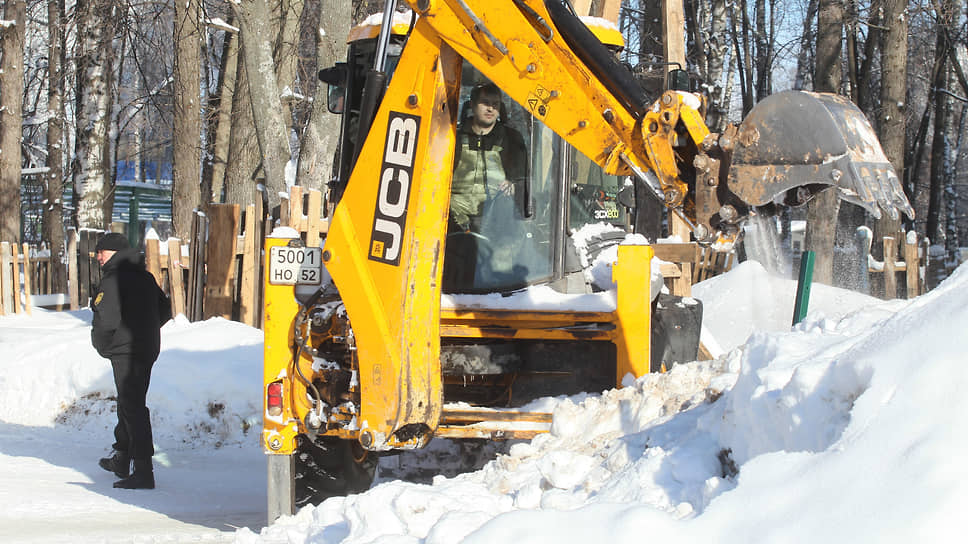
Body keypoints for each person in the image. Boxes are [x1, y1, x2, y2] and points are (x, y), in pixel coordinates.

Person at [91, 232, 171, 489]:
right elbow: (165, 310)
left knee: (133, 406)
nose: (98, 257)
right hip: (146, 350)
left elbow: (106, 322)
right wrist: (145, 331)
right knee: (129, 401)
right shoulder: (145, 278)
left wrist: (105, 346)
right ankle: (122, 457)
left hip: (126, 352)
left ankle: (144, 471)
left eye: (101, 252)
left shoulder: (114, 280)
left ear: (113, 252)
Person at [449, 82, 528, 233]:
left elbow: (522, 180)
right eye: (485, 103)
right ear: (472, 105)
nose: (490, 108)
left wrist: (512, 185)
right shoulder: (453, 137)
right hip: (453, 216)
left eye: (495, 104)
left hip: (496, 218)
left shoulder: (512, 139)